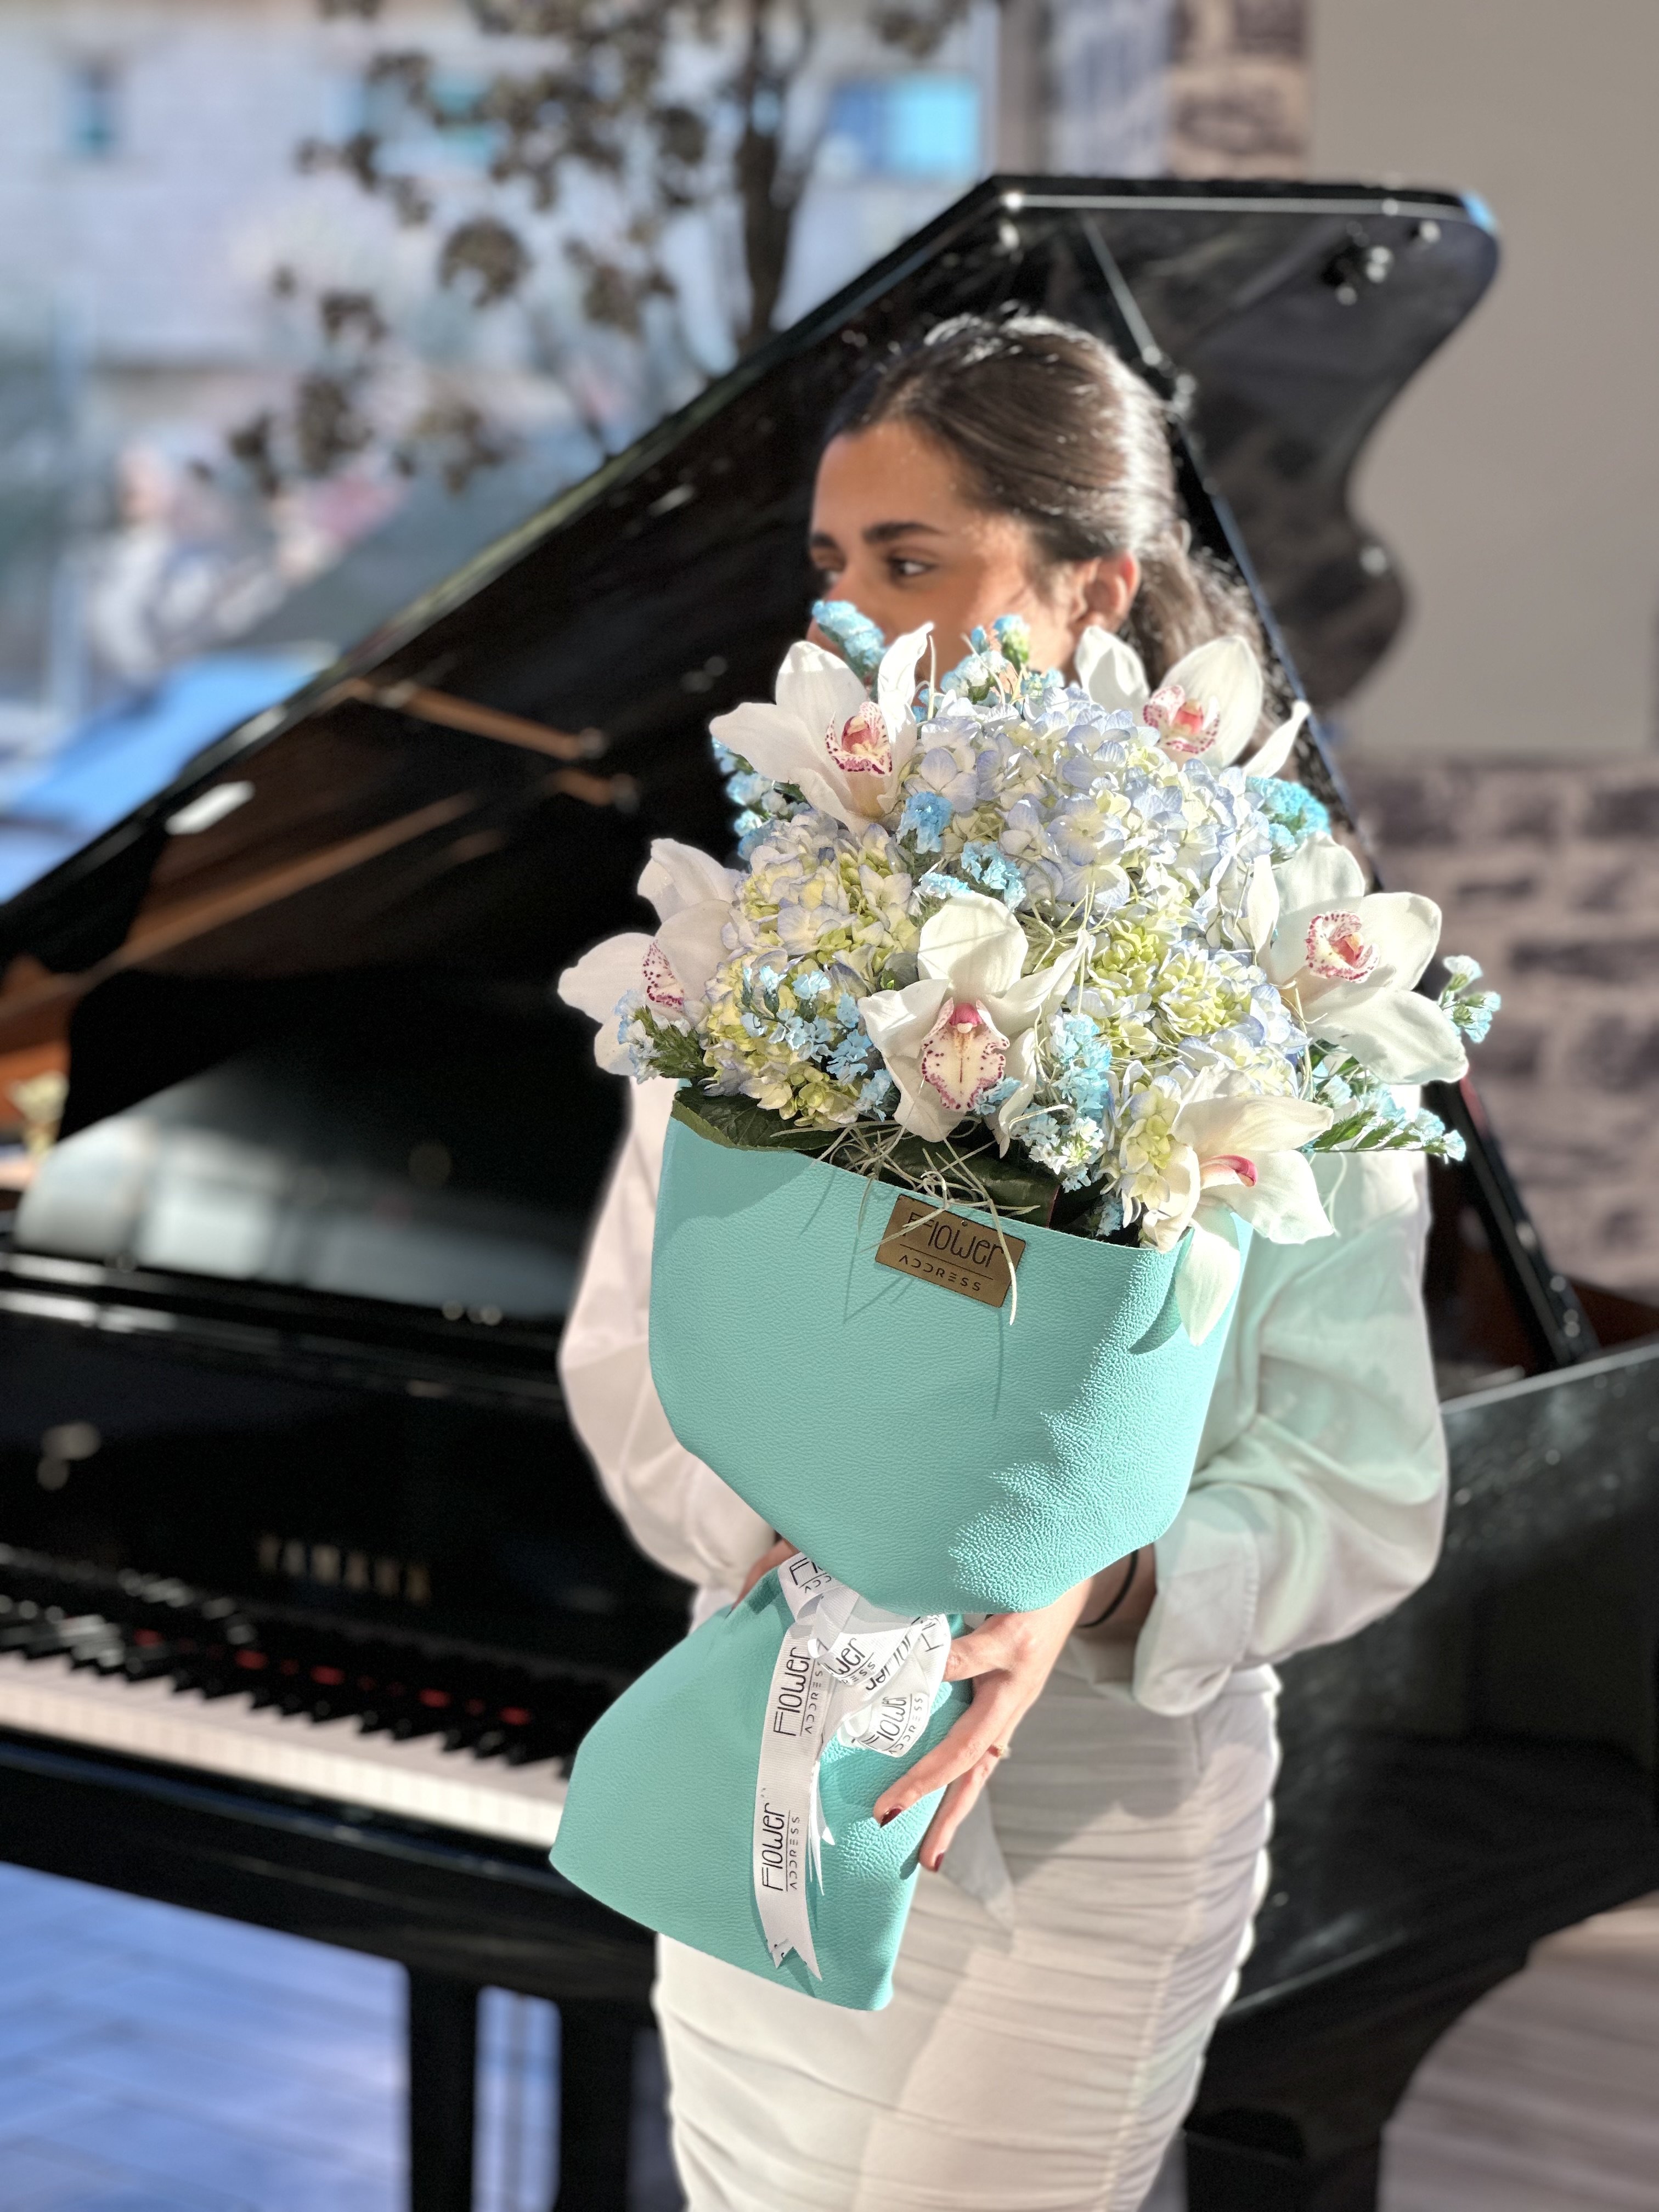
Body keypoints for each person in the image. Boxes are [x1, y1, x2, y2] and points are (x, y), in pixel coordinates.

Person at [558, 314, 1447, 2212]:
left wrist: (1085, 1586)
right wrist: (828, 1555)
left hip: (1098, 1828)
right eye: (833, 566)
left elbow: (1363, 1486)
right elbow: (634, 1354)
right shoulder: (764, 939)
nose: (857, 618)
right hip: (773, 1754)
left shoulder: (1291, 973)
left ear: (1094, 584)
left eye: (914, 560)